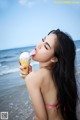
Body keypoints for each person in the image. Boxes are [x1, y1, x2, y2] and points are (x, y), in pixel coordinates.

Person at [20, 29, 78, 120]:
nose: (38, 45)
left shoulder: (34, 78)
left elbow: (41, 118)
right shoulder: (59, 76)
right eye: (43, 40)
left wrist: (30, 79)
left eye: (46, 47)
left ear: (54, 59)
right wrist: (29, 77)